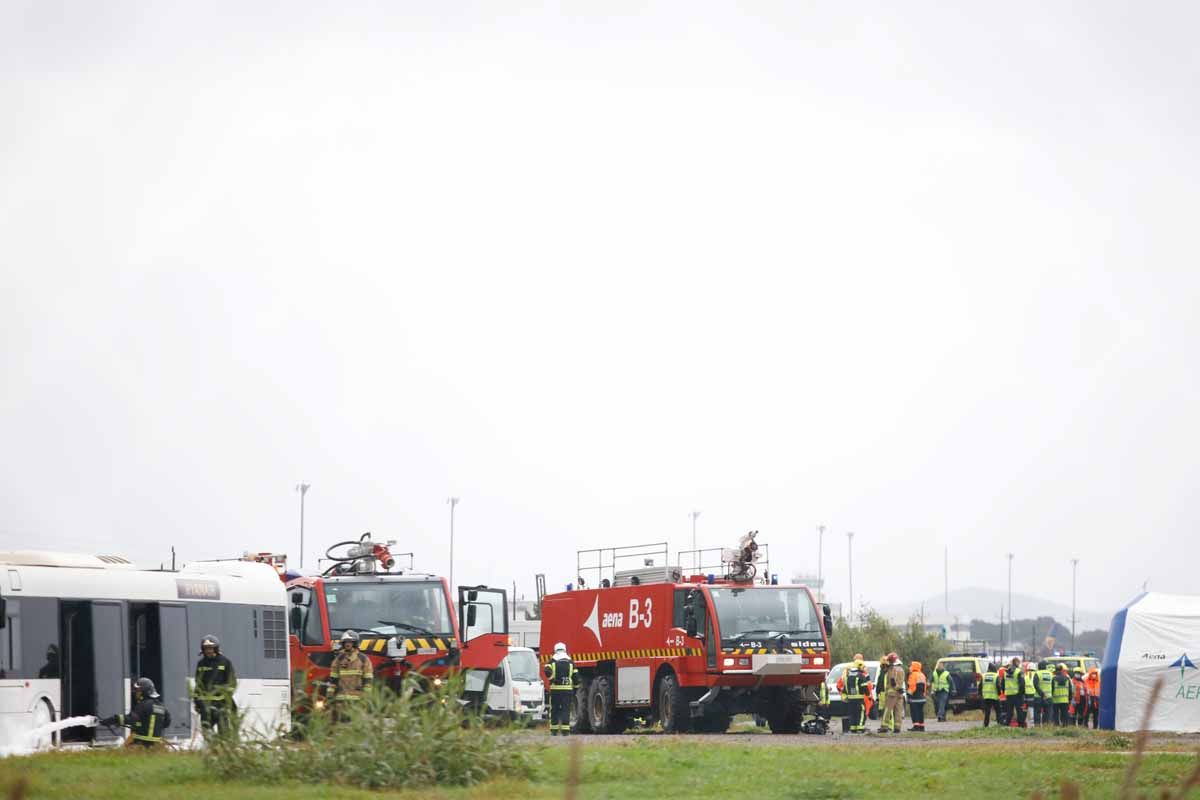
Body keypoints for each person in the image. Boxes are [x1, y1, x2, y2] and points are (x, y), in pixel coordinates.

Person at [100, 677, 171, 747]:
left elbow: (131, 719)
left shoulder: (143, 705)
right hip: (156, 745)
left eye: (138, 691)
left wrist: (114, 719)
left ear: (144, 691)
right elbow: (167, 723)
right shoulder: (162, 707)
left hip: (140, 744)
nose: (136, 693)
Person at [194, 634, 237, 737]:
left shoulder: (225, 662)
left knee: (224, 735)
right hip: (206, 708)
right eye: (206, 648)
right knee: (207, 735)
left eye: (211, 648)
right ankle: (211, 751)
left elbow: (232, 682)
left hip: (221, 707)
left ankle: (224, 751)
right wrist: (196, 702)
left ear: (216, 648)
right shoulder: (201, 664)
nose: (208, 651)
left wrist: (225, 699)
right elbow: (198, 684)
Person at [328, 630, 373, 719]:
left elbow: (368, 679)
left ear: (355, 643)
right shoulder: (338, 659)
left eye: (350, 642)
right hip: (341, 699)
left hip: (358, 699)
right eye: (345, 642)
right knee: (340, 724)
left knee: (357, 724)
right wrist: (329, 694)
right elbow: (333, 679)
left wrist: (367, 696)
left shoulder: (363, 659)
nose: (347, 644)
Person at [543, 641, 579, 736]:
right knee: (565, 709)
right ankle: (565, 731)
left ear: (555, 650)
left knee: (554, 709)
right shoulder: (571, 662)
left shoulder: (552, 661)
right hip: (567, 691)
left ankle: (554, 730)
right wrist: (575, 688)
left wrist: (552, 679)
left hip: (555, 690)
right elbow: (576, 677)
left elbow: (546, 670)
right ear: (565, 650)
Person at [880, 653, 905, 734]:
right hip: (900, 693)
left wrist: (896, 688)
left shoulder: (892, 669)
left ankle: (884, 727)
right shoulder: (901, 669)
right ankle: (897, 728)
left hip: (892, 693)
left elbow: (892, 681)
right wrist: (900, 689)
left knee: (887, 710)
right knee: (898, 711)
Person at [843, 659, 869, 733]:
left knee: (852, 713)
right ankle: (860, 728)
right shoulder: (861, 676)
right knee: (861, 713)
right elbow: (864, 687)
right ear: (859, 666)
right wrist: (867, 694)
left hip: (850, 699)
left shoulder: (848, 676)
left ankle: (853, 728)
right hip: (859, 699)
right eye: (863, 667)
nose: (864, 669)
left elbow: (845, 689)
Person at [1002, 657, 1025, 728]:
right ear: (1017, 663)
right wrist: (1021, 693)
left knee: (1009, 711)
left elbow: (1002, 683)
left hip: (1008, 694)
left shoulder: (1006, 672)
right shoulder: (1018, 671)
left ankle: (1006, 725)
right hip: (1017, 695)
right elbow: (1022, 684)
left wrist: (1005, 691)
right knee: (1019, 711)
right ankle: (1020, 726)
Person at [907, 660, 927, 732]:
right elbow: (925, 686)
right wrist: (924, 695)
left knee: (914, 712)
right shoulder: (922, 675)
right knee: (920, 712)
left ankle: (916, 726)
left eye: (910, 666)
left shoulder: (913, 675)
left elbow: (912, 686)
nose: (909, 668)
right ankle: (921, 726)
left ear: (914, 667)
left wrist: (909, 695)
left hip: (915, 698)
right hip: (922, 697)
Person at [981, 663, 1001, 727]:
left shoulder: (984, 676)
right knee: (998, 711)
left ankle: (985, 725)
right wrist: (999, 693)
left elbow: (980, 686)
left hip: (986, 696)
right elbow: (998, 686)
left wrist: (981, 694)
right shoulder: (996, 676)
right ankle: (999, 723)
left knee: (987, 712)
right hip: (994, 697)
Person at [1037, 661, 1054, 727]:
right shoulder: (1050, 674)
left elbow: (1035, 684)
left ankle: (1037, 726)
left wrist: (1041, 693)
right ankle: (1046, 726)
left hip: (1039, 696)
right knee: (1047, 713)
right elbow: (1053, 685)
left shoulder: (1037, 673)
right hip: (1048, 696)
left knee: (1037, 713)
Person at [1023, 662, 1040, 727]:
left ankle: (1028, 724)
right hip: (1035, 695)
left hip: (1027, 695)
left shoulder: (1025, 675)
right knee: (1034, 710)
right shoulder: (1036, 675)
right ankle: (1033, 724)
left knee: (1028, 710)